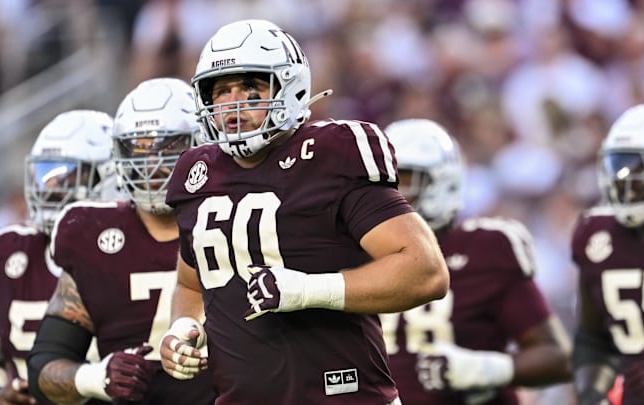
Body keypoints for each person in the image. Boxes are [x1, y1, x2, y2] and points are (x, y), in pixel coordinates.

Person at [159, 19, 449, 404]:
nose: (233, 103)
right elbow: (191, 284)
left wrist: (310, 289)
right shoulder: (196, 173)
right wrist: (182, 326)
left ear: (290, 85)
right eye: (221, 91)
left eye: (250, 87)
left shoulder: (330, 153)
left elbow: (425, 271)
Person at [26, 78, 216, 405]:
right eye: (136, 148)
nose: (149, 164)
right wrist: (96, 377)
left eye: (166, 148)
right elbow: (43, 367)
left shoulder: (234, 216)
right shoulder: (91, 233)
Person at [379, 118, 572, 405]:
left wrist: (482, 370)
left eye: (405, 181)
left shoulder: (486, 249)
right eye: (385, 182)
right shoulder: (350, 251)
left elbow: (557, 358)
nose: (392, 195)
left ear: (443, 184)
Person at [0, 109, 118, 405]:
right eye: (44, 175)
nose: (50, 190)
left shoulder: (133, 250)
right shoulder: (5, 256)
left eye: (67, 176)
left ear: (109, 175)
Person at [571, 103, 644, 405]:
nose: (623, 177)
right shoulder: (597, 236)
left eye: (637, 165)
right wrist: (593, 396)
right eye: (618, 163)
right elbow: (592, 338)